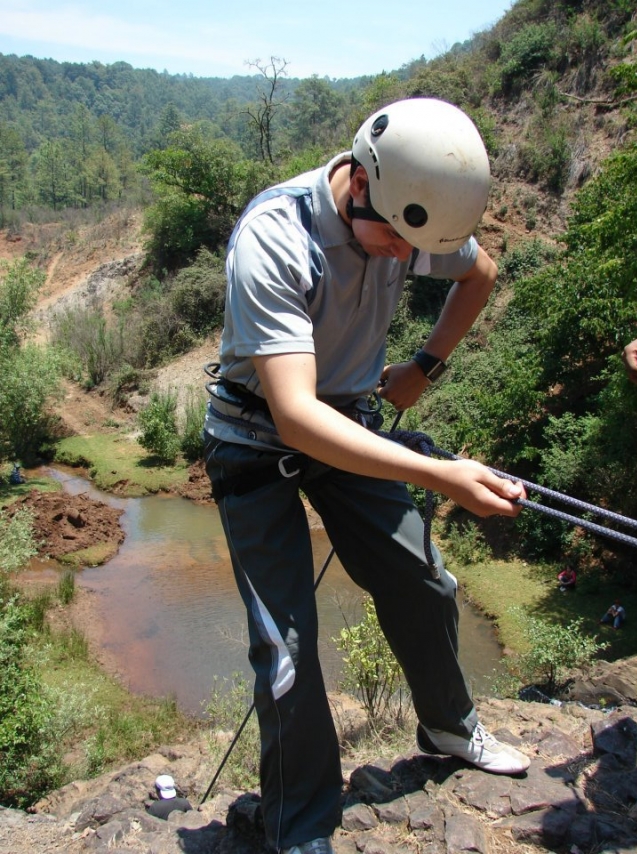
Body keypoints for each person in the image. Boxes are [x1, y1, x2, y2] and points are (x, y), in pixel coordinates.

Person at [202, 97, 530, 854]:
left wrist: (425, 364)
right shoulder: (275, 237)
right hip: (258, 437)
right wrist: (443, 476)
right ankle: (304, 831)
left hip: (346, 420)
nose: (398, 258)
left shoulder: (407, 224)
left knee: (423, 579)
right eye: (390, 241)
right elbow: (294, 416)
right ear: (358, 184)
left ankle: (450, 728)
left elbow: (479, 271)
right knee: (285, 646)